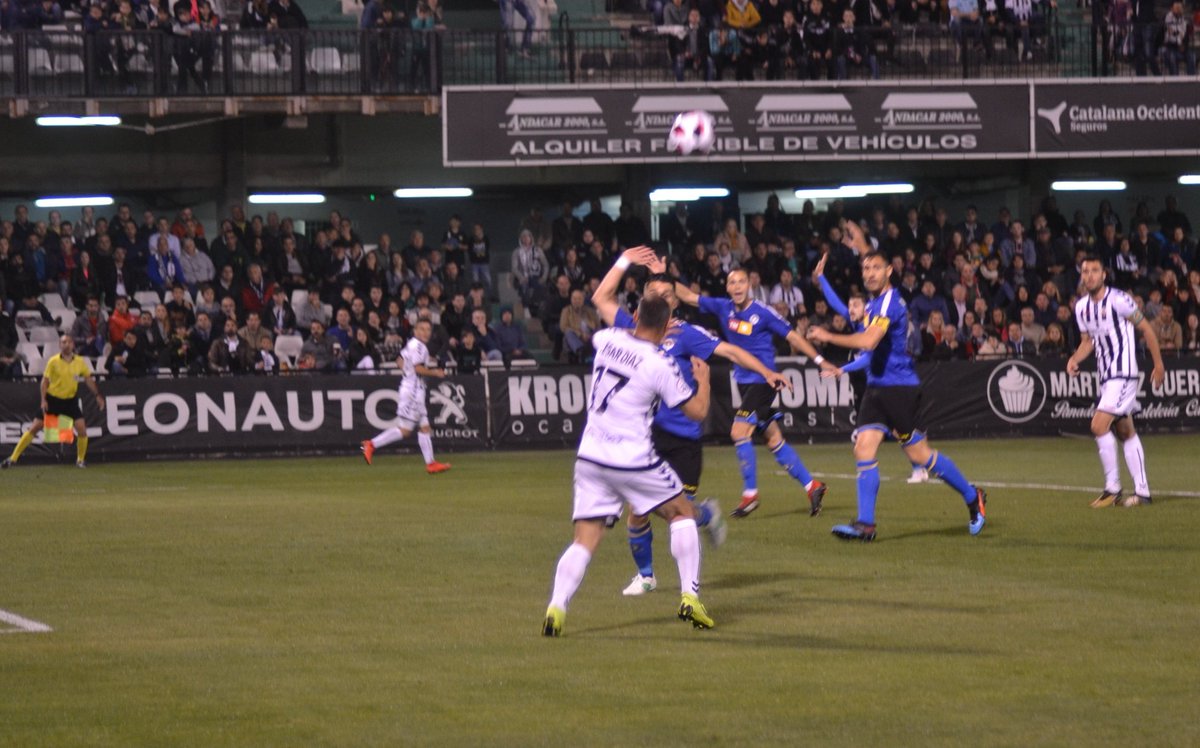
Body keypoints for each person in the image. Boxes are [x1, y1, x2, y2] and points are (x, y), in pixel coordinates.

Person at [593, 247, 791, 596]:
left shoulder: (686, 334)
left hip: (685, 438)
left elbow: (730, 352)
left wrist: (765, 370)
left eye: (668, 295)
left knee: (674, 511)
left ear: (675, 301)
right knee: (639, 510)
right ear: (645, 300)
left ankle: (702, 517)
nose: (662, 300)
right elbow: (601, 297)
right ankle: (647, 575)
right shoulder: (631, 328)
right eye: (655, 294)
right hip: (648, 435)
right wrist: (624, 260)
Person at [542, 296, 714, 637]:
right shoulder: (660, 363)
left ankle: (556, 606)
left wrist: (624, 263)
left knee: (584, 540)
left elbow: (604, 303)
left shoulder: (607, 340)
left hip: (591, 456)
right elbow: (696, 412)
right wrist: (704, 379)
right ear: (667, 326)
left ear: (634, 316)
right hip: (633, 458)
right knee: (681, 512)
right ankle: (690, 597)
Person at [808, 223, 987, 541]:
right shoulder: (874, 300)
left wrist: (827, 335)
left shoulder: (890, 301)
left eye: (877, 268)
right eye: (866, 268)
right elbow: (863, 279)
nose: (870, 272)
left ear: (890, 271)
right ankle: (866, 525)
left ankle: (974, 497)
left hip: (900, 389)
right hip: (877, 388)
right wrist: (860, 247)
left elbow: (869, 341)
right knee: (863, 449)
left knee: (921, 456)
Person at [673, 267, 835, 518]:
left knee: (738, 431)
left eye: (741, 282)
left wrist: (821, 361)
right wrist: (665, 276)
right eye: (732, 282)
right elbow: (687, 296)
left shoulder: (763, 313)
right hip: (743, 381)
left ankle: (750, 495)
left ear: (750, 284)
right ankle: (812, 486)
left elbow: (793, 336)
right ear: (727, 287)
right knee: (772, 439)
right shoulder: (722, 307)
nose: (737, 287)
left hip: (764, 380)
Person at [1067, 255, 1166, 508]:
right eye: (1085, 271)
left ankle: (1112, 489)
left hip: (1123, 373)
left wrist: (1158, 364)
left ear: (1104, 275)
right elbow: (1087, 341)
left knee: (1099, 425)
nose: (1089, 275)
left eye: (1094, 270)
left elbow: (1146, 329)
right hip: (1106, 375)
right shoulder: (1081, 307)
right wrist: (1074, 359)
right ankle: (1142, 492)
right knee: (1125, 431)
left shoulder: (1119, 300)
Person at [360, 318, 452, 473]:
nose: (425, 332)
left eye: (427, 329)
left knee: (424, 427)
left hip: (413, 389)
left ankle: (431, 464)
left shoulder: (412, 344)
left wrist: (408, 371)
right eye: (421, 329)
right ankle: (371, 444)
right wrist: (435, 372)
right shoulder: (419, 347)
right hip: (413, 392)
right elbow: (417, 368)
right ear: (415, 331)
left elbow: (399, 360)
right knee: (405, 430)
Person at [4, 334, 106, 469]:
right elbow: (44, 382)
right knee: (34, 428)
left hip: (70, 401)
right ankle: (13, 458)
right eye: (63, 342)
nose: (66, 344)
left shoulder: (80, 362)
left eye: (69, 342)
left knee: (82, 430)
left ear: (73, 345)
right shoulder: (53, 361)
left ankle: (80, 460)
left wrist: (97, 395)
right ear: (60, 345)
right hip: (53, 400)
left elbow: (88, 379)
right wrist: (43, 400)